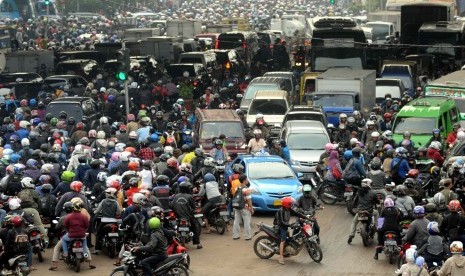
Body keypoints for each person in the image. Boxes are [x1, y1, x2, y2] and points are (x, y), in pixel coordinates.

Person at [274, 196, 310, 265]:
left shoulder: (288, 209)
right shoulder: (281, 211)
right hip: (280, 227)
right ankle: (281, 257)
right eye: (290, 204)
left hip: (285, 226)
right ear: (286, 204)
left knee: (289, 239)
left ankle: (286, 251)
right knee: (283, 240)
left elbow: (297, 213)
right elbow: (282, 222)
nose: (291, 205)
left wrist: (306, 217)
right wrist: (290, 225)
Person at [61, 198, 95, 268]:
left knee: (64, 239)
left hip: (71, 236)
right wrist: (84, 230)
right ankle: (85, 254)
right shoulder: (84, 216)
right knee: (85, 245)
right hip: (82, 235)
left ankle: (66, 253)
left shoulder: (68, 216)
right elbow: (87, 225)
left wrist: (69, 231)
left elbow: (65, 226)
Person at [171, 181, 202, 249]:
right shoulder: (189, 196)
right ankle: (198, 244)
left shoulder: (176, 196)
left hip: (178, 217)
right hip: (188, 217)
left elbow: (172, 205)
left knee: (173, 227)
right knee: (195, 227)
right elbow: (193, 207)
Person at [348, 178, 379, 244]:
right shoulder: (373, 193)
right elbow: (377, 201)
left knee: (354, 223)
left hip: (360, 211)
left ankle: (351, 234)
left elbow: (355, 202)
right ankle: (377, 227)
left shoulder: (359, 192)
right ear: (368, 184)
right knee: (376, 213)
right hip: (369, 211)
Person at [94, 188, 122, 253]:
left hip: (103, 221)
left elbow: (97, 211)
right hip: (113, 221)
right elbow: (119, 212)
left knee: (99, 234)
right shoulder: (116, 202)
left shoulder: (103, 201)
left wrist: (95, 212)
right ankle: (118, 250)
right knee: (119, 234)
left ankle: (97, 249)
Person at [232, 174, 253, 240]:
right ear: (244, 180)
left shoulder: (237, 188)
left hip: (237, 206)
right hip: (245, 207)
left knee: (236, 221)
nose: (247, 180)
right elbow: (249, 200)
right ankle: (247, 236)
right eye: (246, 179)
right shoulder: (246, 189)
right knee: (246, 222)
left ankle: (235, 235)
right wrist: (251, 208)